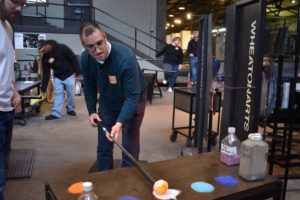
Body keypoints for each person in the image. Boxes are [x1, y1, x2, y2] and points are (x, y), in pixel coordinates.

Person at [79, 21, 146, 171]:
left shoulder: (125, 58)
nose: (97, 50)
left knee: (129, 143)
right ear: (84, 46)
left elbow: (132, 97)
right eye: (91, 46)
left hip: (134, 97)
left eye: (99, 43)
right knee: (104, 143)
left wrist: (120, 122)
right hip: (108, 99)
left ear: (104, 37)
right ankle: (104, 179)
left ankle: (128, 177)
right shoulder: (85, 59)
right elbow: (89, 86)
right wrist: (92, 111)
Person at [0, 0, 24, 199]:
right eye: (15, 1)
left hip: (7, 111)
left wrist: (14, 92)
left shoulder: (7, 27)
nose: (19, 8)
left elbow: (6, 68)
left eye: (23, 4)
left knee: (2, 167)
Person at [38, 40, 81, 120]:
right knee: (58, 94)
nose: (43, 52)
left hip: (69, 75)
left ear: (47, 45)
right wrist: (43, 88)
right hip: (57, 77)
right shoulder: (45, 58)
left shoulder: (62, 48)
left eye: (43, 50)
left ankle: (70, 109)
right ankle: (56, 113)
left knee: (70, 94)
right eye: (41, 51)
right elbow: (46, 74)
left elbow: (73, 59)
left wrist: (78, 71)